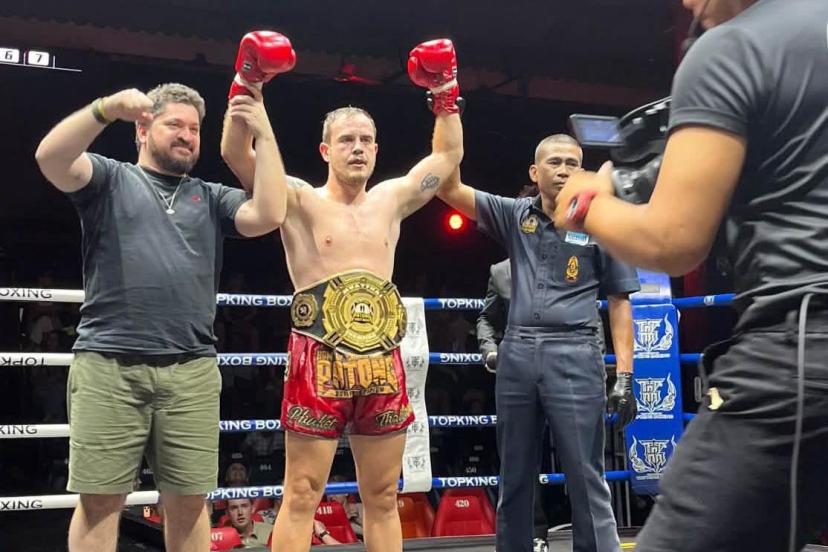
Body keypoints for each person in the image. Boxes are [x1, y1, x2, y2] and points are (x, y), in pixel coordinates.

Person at [554, 1, 828, 551]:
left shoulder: (734, 47)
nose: (685, 4)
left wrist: (585, 206)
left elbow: (672, 241)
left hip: (800, 352)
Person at [220, 32, 464, 552]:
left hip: (382, 360)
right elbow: (235, 152)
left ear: (376, 150)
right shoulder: (298, 199)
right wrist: (248, 84)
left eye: (366, 140)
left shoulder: (392, 199)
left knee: (382, 495)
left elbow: (447, 156)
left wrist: (445, 92)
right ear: (326, 150)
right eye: (347, 139)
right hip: (318, 358)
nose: (357, 148)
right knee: (301, 494)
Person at [34, 78, 289, 552]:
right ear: (142, 129)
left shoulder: (209, 196)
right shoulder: (110, 178)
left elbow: (271, 214)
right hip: (110, 365)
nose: (187, 135)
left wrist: (264, 132)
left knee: (190, 502)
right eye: (175, 124)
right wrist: (105, 108)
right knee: (99, 502)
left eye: (194, 129)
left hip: (191, 370)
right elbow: (50, 158)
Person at [438, 133, 639, 552]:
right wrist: (447, 112)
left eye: (572, 163)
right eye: (554, 162)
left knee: (585, 474)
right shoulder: (515, 215)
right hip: (517, 353)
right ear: (535, 171)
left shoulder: (603, 221)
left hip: (575, 351)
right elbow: (450, 188)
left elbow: (620, 302)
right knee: (514, 475)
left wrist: (624, 376)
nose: (563, 170)